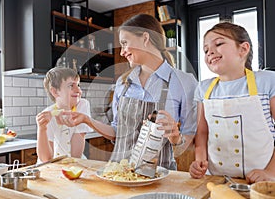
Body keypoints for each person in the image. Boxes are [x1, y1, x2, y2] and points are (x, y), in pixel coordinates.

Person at [58, 14, 197, 170]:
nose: (122, 52)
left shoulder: (184, 82)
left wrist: (175, 137)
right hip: (121, 173)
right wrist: (87, 120)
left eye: (125, 43)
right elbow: (117, 132)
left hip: (161, 177)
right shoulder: (122, 84)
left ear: (145, 38)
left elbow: (191, 141)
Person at [189, 22, 275, 183]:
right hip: (216, 179)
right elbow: (202, 132)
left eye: (219, 43)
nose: (210, 52)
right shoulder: (203, 89)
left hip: (262, 181)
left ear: (243, 49)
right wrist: (199, 161)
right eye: (205, 50)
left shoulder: (267, 81)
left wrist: (270, 172)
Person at [36, 67, 93, 162]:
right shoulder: (47, 116)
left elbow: (76, 155)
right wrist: (42, 129)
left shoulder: (82, 105)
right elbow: (46, 159)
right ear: (54, 91)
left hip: (74, 163)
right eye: (71, 86)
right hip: (52, 166)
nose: (78, 90)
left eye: (78, 85)